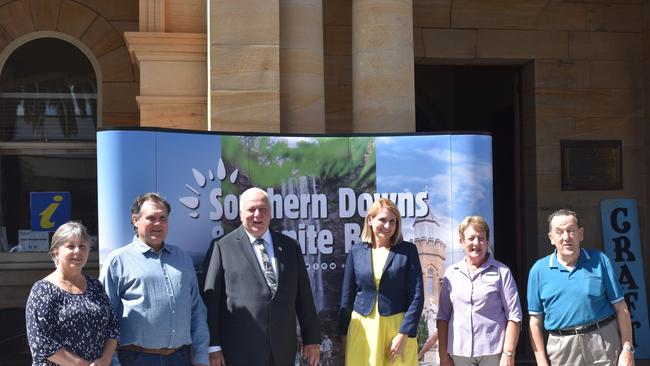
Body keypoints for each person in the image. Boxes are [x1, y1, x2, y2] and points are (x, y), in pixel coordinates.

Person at [203, 187, 321, 366]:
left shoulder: (290, 246)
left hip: (282, 351)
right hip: (239, 352)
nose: (257, 214)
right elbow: (211, 303)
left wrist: (311, 339)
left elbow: (304, 297)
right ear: (241, 213)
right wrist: (213, 347)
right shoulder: (222, 247)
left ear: (270, 213)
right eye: (251, 209)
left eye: (262, 209)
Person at [99, 192, 210, 366]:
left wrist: (202, 356)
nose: (158, 223)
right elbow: (104, 317)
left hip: (180, 358)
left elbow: (197, 311)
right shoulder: (117, 260)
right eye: (151, 218)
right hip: (136, 359)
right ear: (136, 220)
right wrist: (111, 362)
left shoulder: (182, 258)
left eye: (163, 218)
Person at [527, 209, 635, 366]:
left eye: (571, 230)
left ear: (581, 234)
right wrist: (541, 362)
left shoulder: (600, 260)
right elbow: (535, 322)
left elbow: (621, 308)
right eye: (559, 232)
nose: (566, 237)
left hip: (603, 342)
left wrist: (627, 350)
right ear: (551, 238)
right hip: (562, 349)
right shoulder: (539, 270)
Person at [339, 198, 424, 366]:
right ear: (370, 220)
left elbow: (417, 295)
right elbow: (346, 298)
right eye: (383, 220)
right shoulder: (356, 251)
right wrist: (344, 335)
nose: (388, 226)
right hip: (362, 329)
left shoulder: (408, 251)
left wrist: (403, 333)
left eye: (393, 221)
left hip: (396, 330)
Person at [26, 221, 119, 366]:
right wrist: (83, 365)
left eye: (82, 246)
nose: (78, 251)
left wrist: (105, 360)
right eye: (70, 246)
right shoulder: (42, 290)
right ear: (55, 252)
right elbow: (42, 342)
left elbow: (113, 327)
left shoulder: (95, 285)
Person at [437, 216, 521, 366]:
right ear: (462, 242)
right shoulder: (451, 273)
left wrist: (509, 353)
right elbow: (443, 316)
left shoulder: (502, 272)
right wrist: (443, 355)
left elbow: (514, 316)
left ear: (487, 242)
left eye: (481, 238)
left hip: (493, 353)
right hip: (459, 353)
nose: (476, 243)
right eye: (471, 238)